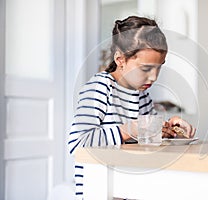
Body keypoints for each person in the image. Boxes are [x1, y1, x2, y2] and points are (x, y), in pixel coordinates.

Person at [68, 15, 196, 199]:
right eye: (146, 69)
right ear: (120, 59)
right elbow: (78, 144)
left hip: (131, 187)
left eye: (159, 68)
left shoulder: (141, 94)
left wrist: (169, 128)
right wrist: (129, 130)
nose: (153, 77)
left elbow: (148, 136)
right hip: (101, 190)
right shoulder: (98, 89)